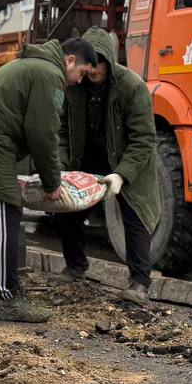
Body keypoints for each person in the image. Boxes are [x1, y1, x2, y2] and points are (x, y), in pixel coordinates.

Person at [0, 36, 96, 322]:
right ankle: (11, 299)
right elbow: (43, 134)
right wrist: (53, 182)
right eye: (82, 73)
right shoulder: (50, 74)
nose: (80, 81)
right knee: (5, 210)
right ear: (69, 61)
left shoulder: (31, 65)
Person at [56, 27, 160, 303]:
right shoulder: (74, 86)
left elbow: (144, 139)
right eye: (89, 63)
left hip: (126, 160)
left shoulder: (131, 87)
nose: (93, 69)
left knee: (135, 216)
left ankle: (139, 283)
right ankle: (75, 267)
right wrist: (63, 166)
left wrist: (122, 175)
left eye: (99, 62)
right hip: (87, 159)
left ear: (109, 61)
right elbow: (62, 130)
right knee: (67, 209)